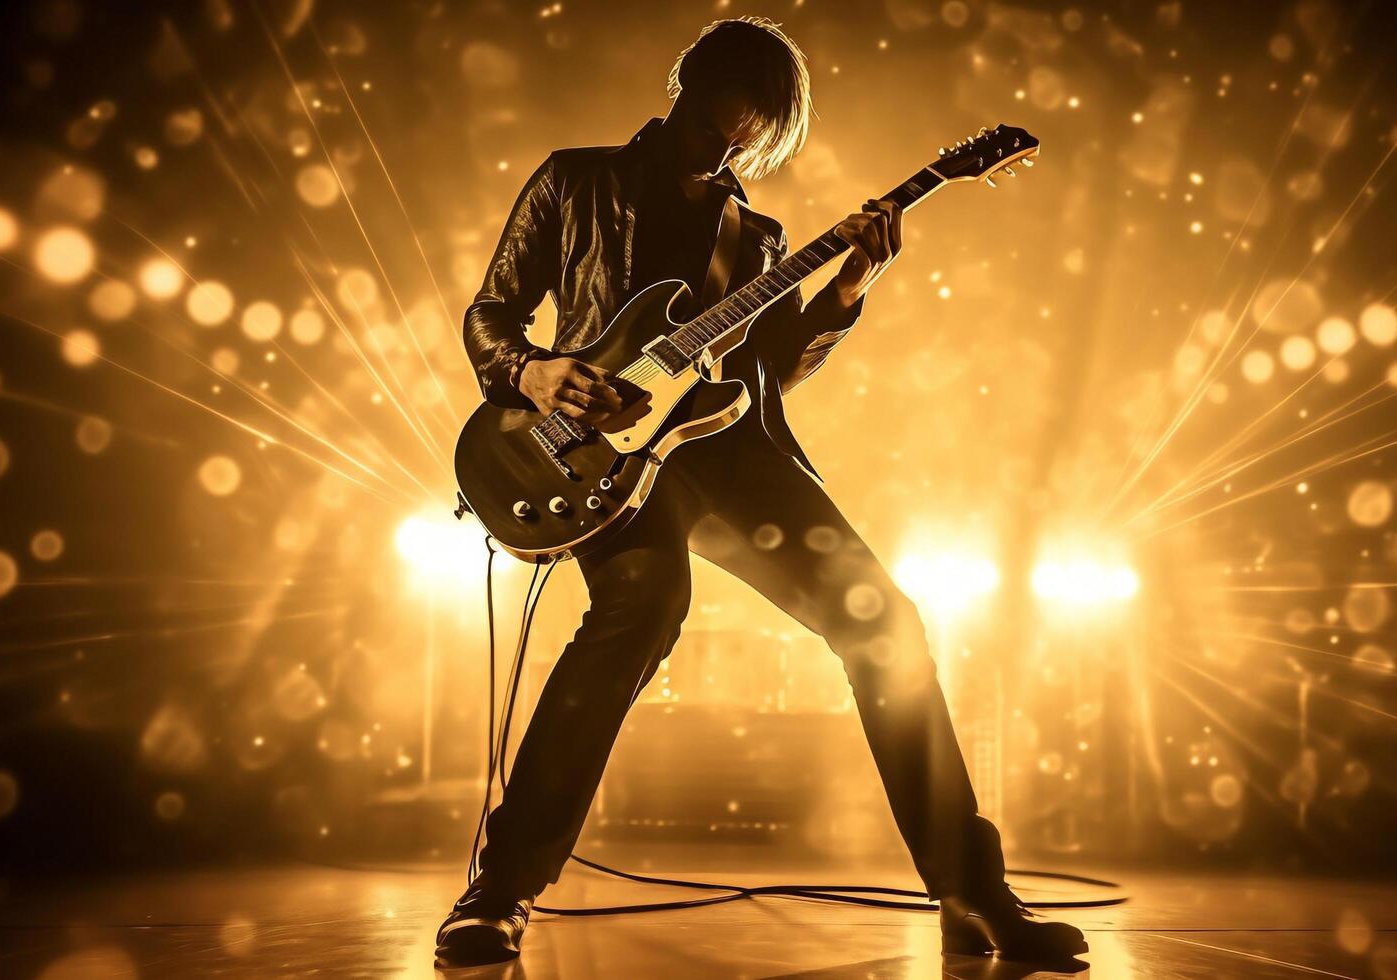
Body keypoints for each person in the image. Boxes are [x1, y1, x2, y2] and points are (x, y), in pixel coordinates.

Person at [439, 16, 1086, 966]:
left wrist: (848, 288)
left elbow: (769, 368)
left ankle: (971, 893)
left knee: (887, 624)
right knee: (644, 604)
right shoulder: (576, 179)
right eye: (715, 121)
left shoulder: (761, 236)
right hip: (603, 458)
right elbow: (491, 310)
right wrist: (530, 372)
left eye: (748, 132)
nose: (730, 143)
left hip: (731, 453)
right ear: (686, 87)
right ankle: (499, 891)